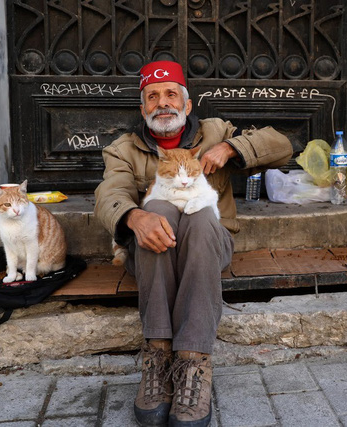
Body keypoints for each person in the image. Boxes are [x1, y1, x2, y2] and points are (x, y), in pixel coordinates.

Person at [94, 60, 292, 427]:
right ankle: (157, 355)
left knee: (201, 218)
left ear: (187, 105)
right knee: (155, 208)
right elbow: (111, 192)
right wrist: (135, 217)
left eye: (172, 94)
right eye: (152, 97)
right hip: (154, 252)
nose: (162, 103)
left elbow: (282, 146)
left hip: (209, 243)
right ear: (143, 108)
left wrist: (233, 148)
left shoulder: (216, 131)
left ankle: (192, 361)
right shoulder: (122, 149)